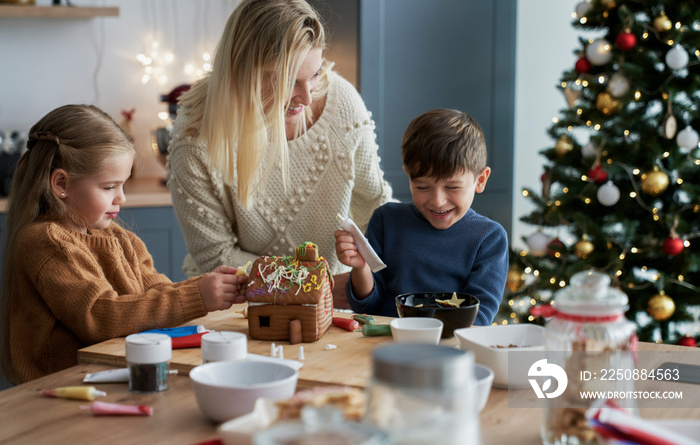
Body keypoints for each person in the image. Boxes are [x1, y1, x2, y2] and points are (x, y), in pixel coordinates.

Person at [166, 0, 393, 308]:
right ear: (242, 72)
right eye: (289, 81)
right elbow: (217, 258)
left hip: (336, 301)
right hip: (239, 307)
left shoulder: (342, 103)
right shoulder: (195, 137)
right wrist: (313, 285)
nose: (308, 96)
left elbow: (376, 206)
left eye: (314, 74)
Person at [0, 104, 248, 385]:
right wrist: (197, 297)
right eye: (109, 187)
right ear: (61, 184)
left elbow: (156, 292)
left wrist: (205, 287)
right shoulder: (45, 242)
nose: (122, 198)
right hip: (62, 389)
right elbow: (98, 316)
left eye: (123, 185)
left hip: (114, 376)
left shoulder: (120, 237)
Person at [334, 109, 509, 324]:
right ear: (408, 175)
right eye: (422, 186)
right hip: (386, 346)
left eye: (452, 187)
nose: (437, 201)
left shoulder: (489, 238)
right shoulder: (386, 220)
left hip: (450, 350)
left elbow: (478, 318)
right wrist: (360, 266)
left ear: (480, 180)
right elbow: (367, 305)